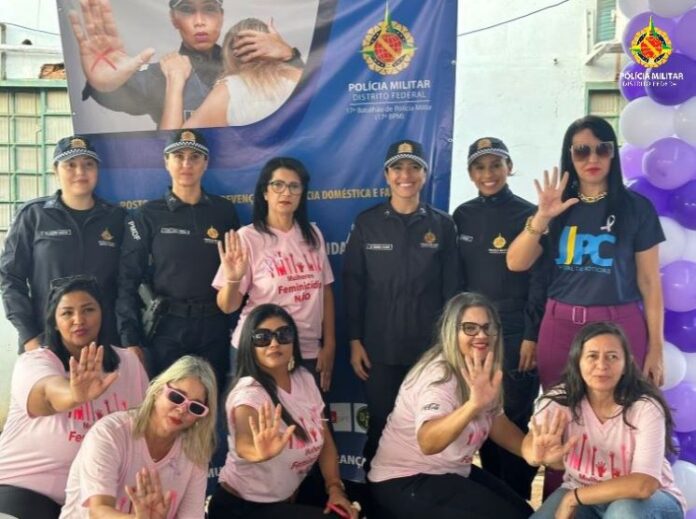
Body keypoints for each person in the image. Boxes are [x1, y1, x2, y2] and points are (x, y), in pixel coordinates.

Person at [507, 115, 665, 390]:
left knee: (621, 408)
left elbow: (650, 283)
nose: (592, 158)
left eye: (602, 149)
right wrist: (542, 216)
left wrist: (657, 347)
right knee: (559, 409)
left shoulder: (636, 208)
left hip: (620, 326)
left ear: (613, 153)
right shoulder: (556, 207)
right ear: (570, 156)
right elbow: (516, 262)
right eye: (581, 151)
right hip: (560, 326)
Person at [368, 292, 545, 519]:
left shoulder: (483, 367)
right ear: (451, 332)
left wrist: (531, 451)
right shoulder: (439, 375)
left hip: (450, 470)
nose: (481, 335)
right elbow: (428, 442)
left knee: (525, 514)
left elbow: (497, 423)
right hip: (405, 479)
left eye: (488, 327)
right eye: (470, 328)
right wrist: (473, 405)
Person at [343, 139, 460, 468]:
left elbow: (453, 293)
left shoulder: (443, 225)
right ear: (386, 175)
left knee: (427, 427)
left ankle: (421, 491)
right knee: (380, 425)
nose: (405, 175)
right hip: (378, 350)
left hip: (429, 351)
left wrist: (448, 348)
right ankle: (375, 493)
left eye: (414, 167)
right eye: (397, 168)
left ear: (425, 174)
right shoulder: (367, 223)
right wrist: (354, 341)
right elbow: (353, 286)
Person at [0, 275, 148, 519]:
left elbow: (141, 428)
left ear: (102, 314)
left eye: (88, 310)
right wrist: (74, 395)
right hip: (26, 485)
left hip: (96, 495)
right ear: (55, 322)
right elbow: (48, 395)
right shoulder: (34, 362)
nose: (79, 320)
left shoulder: (129, 363)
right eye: (67, 313)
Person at [452, 137, 545, 499]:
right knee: (484, 415)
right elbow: (458, 282)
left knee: (516, 416)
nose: (488, 174)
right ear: (470, 173)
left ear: (509, 167)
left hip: (518, 331)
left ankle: (519, 499)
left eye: (495, 165)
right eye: (479, 167)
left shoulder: (529, 215)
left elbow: (539, 281)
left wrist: (532, 335)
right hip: (476, 335)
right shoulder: (462, 215)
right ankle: (497, 501)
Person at [207, 304, 358, 519]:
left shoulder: (304, 378)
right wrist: (257, 453)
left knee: (359, 504)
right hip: (241, 508)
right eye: (262, 338)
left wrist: (334, 488)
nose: (274, 343)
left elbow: (325, 441)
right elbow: (244, 442)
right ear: (249, 346)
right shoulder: (248, 393)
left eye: (283, 335)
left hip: (287, 499)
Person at [116, 128, 239, 387]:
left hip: (213, 328)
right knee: (167, 402)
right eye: (178, 156)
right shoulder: (147, 215)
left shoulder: (224, 212)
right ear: (166, 162)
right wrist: (130, 339)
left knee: (210, 401)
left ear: (206, 163)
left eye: (194, 157)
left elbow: (237, 273)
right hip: (166, 330)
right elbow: (128, 278)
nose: (186, 164)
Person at [527, 321, 686, 519]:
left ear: (626, 364)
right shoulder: (560, 398)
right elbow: (531, 442)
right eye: (592, 356)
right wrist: (537, 455)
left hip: (650, 500)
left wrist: (573, 498)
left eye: (612, 357)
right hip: (583, 492)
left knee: (623, 511)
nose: (602, 365)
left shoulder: (645, 407)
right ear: (577, 361)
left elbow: (644, 485)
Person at [69, 0, 303, 127]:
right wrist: (103, 84)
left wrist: (288, 56)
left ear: (221, 16)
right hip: (186, 183)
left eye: (209, 9)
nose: (199, 21)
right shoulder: (159, 74)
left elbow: (308, 102)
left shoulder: (251, 61)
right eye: (188, 10)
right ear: (174, 19)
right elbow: (116, 94)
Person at [213, 157, 335, 391]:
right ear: (265, 192)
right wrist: (234, 279)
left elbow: (325, 291)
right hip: (260, 349)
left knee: (308, 413)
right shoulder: (247, 237)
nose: (286, 192)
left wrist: (329, 344)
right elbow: (227, 306)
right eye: (277, 185)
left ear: (301, 193)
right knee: (258, 414)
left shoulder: (313, 234)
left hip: (307, 350)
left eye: (294, 186)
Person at [0, 135, 125, 352]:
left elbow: (128, 281)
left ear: (97, 170)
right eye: (70, 164)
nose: (80, 172)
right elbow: (10, 278)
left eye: (88, 164)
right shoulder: (33, 215)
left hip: (102, 343)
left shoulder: (117, 218)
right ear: (55, 171)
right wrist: (29, 337)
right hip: (45, 342)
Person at [60, 355, 217, 518]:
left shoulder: (195, 455)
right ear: (157, 391)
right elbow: (97, 511)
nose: (182, 409)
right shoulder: (110, 432)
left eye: (195, 407)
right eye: (176, 397)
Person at [160, 18, 301, 128]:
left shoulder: (230, 91)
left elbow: (173, 145)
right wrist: (290, 54)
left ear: (230, 55)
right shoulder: (302, 80)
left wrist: (175, 80)